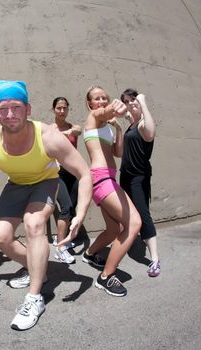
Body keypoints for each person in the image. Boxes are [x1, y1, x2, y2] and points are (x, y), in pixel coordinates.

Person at [0, 81, 91, 331]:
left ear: (28, 109)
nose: (10, 114)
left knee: (34, 223)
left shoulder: (48, 137)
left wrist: (80, 214)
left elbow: (84, 173)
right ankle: (36, 268)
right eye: (3, 108)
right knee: (0, 237)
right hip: (17, 184)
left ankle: (34, 298)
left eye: (16, 107)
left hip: (46, 181)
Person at [81, 86, 142, 297]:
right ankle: (106, 277)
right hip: (102, 179)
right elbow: (101, 113)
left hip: (107, 178)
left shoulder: (106, 128)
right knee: (134, 223)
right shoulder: (92, 118)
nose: (101, 101)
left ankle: (89, 254)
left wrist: (117, 128)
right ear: (90, 104)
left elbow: (118, 153)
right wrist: (114, 108)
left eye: (104, 97)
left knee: (114, 229)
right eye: (96, 99)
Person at [120, 88, 160, 277]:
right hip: (125, 176)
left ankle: (154, 259)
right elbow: (123, 111)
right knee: (125, 212)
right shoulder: (132, 123)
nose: (130, 103)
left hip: (138, 177)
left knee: (143, 214)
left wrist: (142, 102)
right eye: (127, 101)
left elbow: (150, 134)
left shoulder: (144, 123)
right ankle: (126, 242)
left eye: (133, 100)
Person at [50, 97, 83, 264]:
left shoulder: (73, 127)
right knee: (66, 206)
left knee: (72, 208)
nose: (62, 111)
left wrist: (66, 133)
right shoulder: (49, 129)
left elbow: (78, 130)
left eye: (64, 108)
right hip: (57, 174)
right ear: (53, 110)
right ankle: (60, 249)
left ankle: (61, 237)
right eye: (59, 108)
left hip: (73, 173)